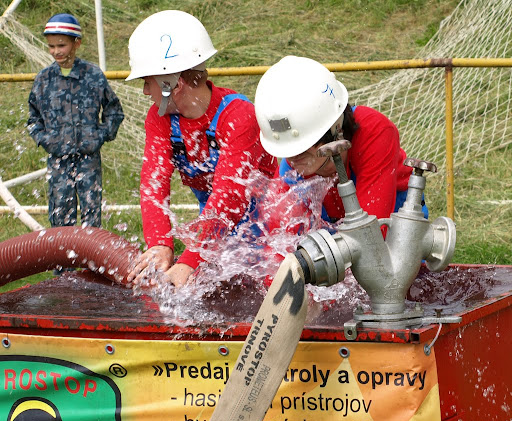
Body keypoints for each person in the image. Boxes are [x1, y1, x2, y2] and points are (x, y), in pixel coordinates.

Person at [125, 10, 277, 288]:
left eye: (148, 82)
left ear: (173, 85)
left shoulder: (238, 116)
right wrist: (160, 244)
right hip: (213, 222)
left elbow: (231, 197)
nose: (146, 92)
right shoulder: (159, 119)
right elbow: (153, 186)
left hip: (270, 223)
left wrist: (189, 261)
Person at [254, 55, 427, 231]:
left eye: (302, 147)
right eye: (287, 150)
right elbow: (275, 238)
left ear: (335, 128)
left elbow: (372, 234)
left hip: (398, 227)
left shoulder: (375, 133)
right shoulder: (290, 173)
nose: (293, 158)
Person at [27, 13, 124, 230]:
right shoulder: (44, 79)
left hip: (88, 160)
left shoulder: (93, 76)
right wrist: (46, 140)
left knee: (92, 216)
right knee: (60, 217)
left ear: (76, 43)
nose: (56, 51)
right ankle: (63, 254)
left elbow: (114, 111)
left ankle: (90, 254)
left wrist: (99, 136)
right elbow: (33, 118)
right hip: (58, 161)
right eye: (51, 46)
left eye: (61, 45)